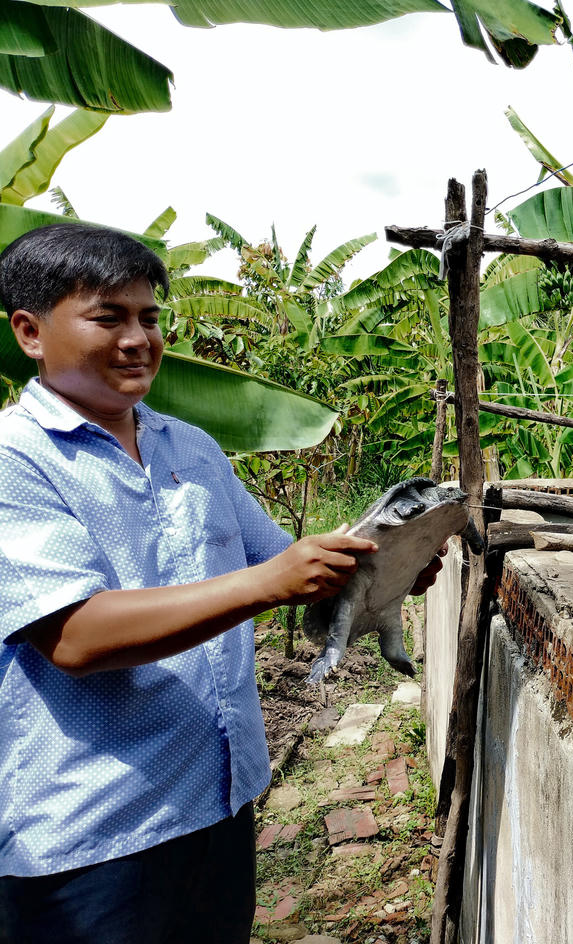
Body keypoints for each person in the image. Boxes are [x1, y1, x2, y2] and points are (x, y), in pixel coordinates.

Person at [0, 223, 445, 944]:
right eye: (108, 317)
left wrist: (384, 570)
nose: (138, 338)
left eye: (149, 316)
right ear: (30, 332)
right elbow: (75, 635)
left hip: (220, 802)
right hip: (94, 836)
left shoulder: (191, 447)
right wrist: (268, 583)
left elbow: (297, 577)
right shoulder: (16, 461)